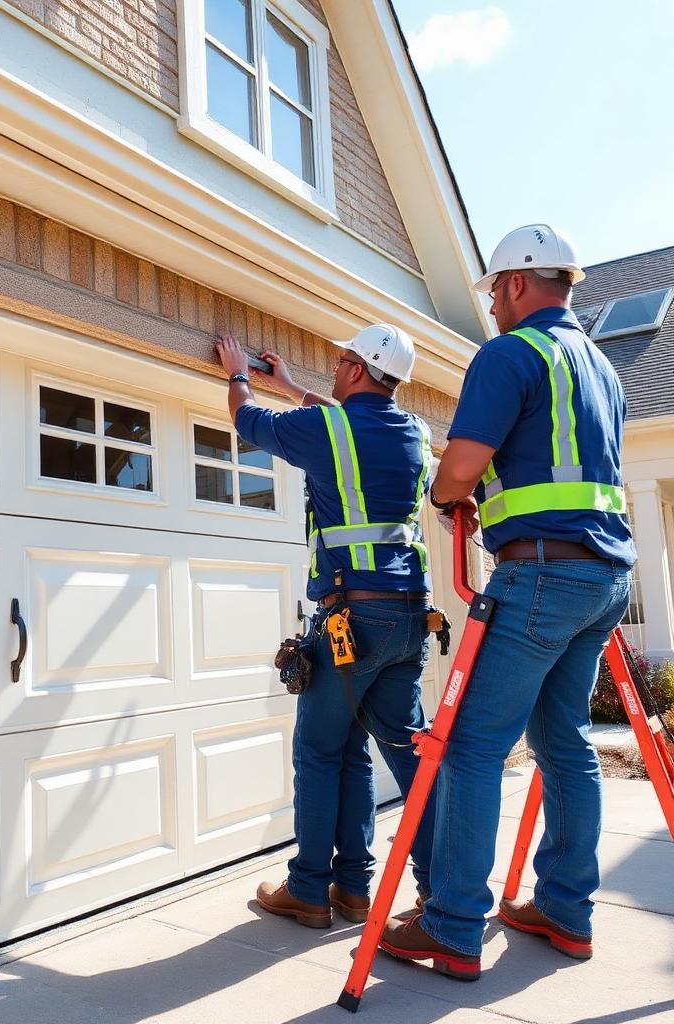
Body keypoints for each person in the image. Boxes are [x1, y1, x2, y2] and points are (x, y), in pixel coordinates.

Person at [380, 224, 635, 980]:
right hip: (603, 581)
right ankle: (565, 908)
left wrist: (443, 492)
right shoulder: (602, 368)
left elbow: (462, 464)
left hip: (541, 576)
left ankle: (453, 925)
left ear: (519, 283)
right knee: (565, 742)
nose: (491, 305)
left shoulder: (510, 353)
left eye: (494, 290)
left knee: (472, 748)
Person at [215, 324, 438, 930]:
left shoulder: (328, 428)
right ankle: (404, 893)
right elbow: (346, 423)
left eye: (341, 361)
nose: (334, 368)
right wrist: (291, 386)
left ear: (359, 369)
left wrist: (239, 373)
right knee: (389, 755)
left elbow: (247, 422)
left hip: (349, 619)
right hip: (410, 619)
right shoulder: (414, 433)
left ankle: (311, 889)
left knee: (319, 752)